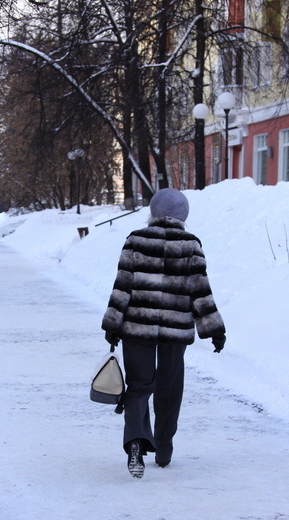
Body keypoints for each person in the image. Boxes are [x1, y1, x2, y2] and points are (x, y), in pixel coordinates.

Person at [102, 188, 226, 479]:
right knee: (170, 388)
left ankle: (135, 441)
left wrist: (112, 325)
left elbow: (122, 286)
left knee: (139, 385)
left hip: (137, 326)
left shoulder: (136, 239)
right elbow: (200, 291)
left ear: (153, 212)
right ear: (183, 215)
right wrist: (215, 330)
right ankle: (165, 448)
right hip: (175, 329)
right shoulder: (190, 244)